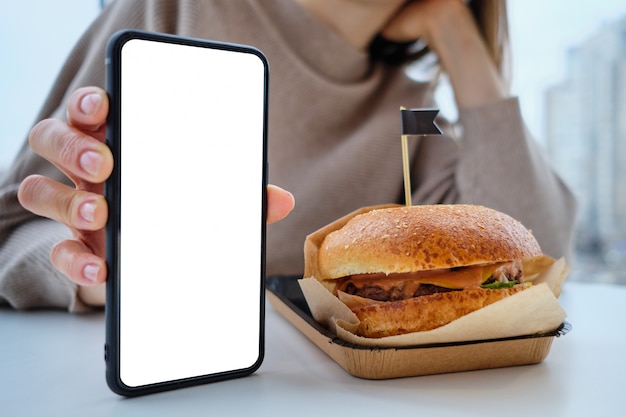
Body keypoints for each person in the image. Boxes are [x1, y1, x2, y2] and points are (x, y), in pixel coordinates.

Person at [0, 0, 577, 311]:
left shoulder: (409, 108)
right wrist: (102, 274)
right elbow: (15, 227)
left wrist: (455, 25)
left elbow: (535, 256)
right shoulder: (168, 10)